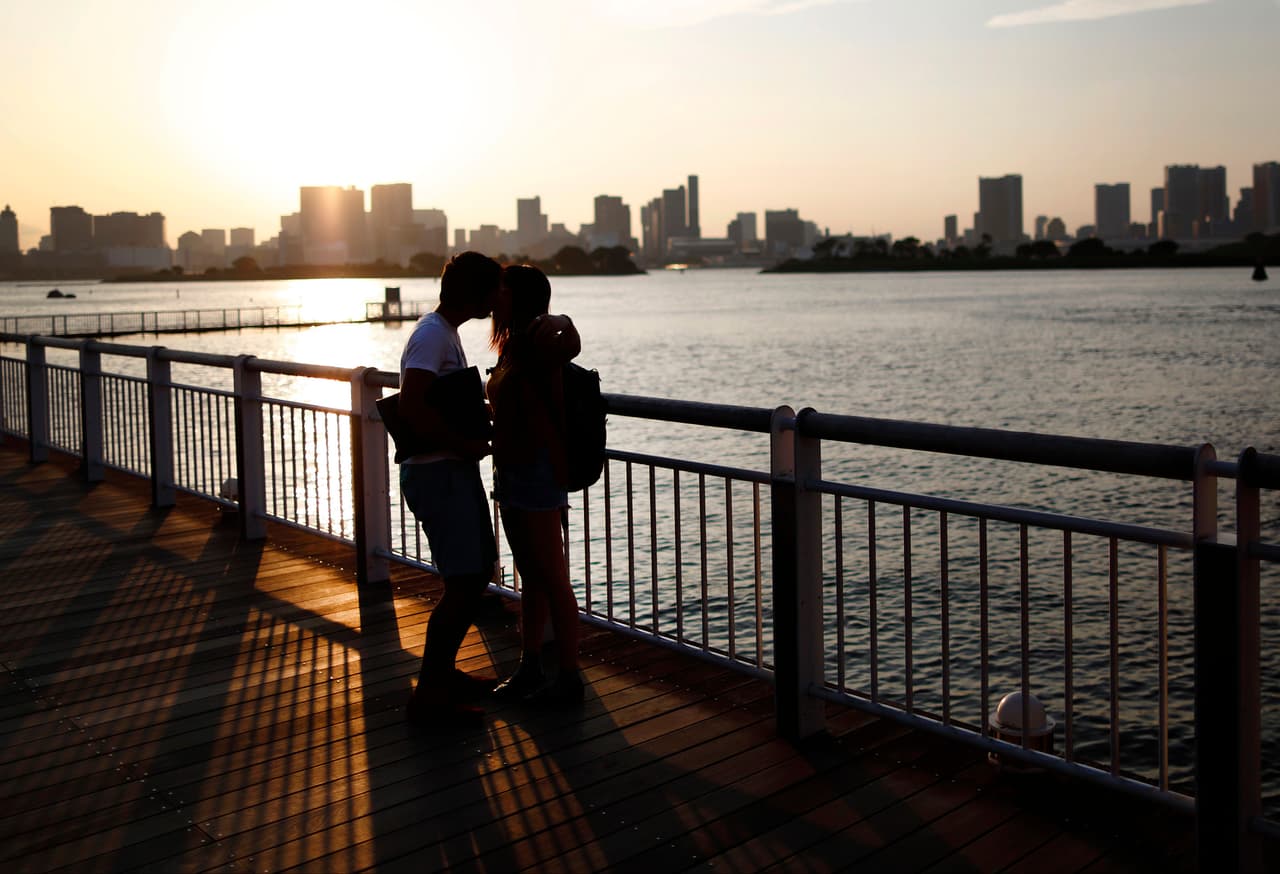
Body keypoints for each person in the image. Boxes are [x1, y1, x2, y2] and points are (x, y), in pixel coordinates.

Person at [398, 251, 503, 732]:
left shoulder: (444, 334)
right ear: (470, 292)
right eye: (491, 290)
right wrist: (460, 442)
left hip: (448, 470)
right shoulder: (431, 336)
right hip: (438, 471)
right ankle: (429, 698)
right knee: (465, 581)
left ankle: (442, 676)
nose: (497, 299)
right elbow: (413, 403)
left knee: (471, 574)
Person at [486, 264, 586, 706]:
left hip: (537, 474)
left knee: (553, 577)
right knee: (532, 575)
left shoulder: (539, 341)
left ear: (520, 297)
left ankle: (569, 677)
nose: (494, 295)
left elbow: (571, 349)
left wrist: (561, 321)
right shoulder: (512, 345)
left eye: (501, 289)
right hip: (512, 474)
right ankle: (530, 666)